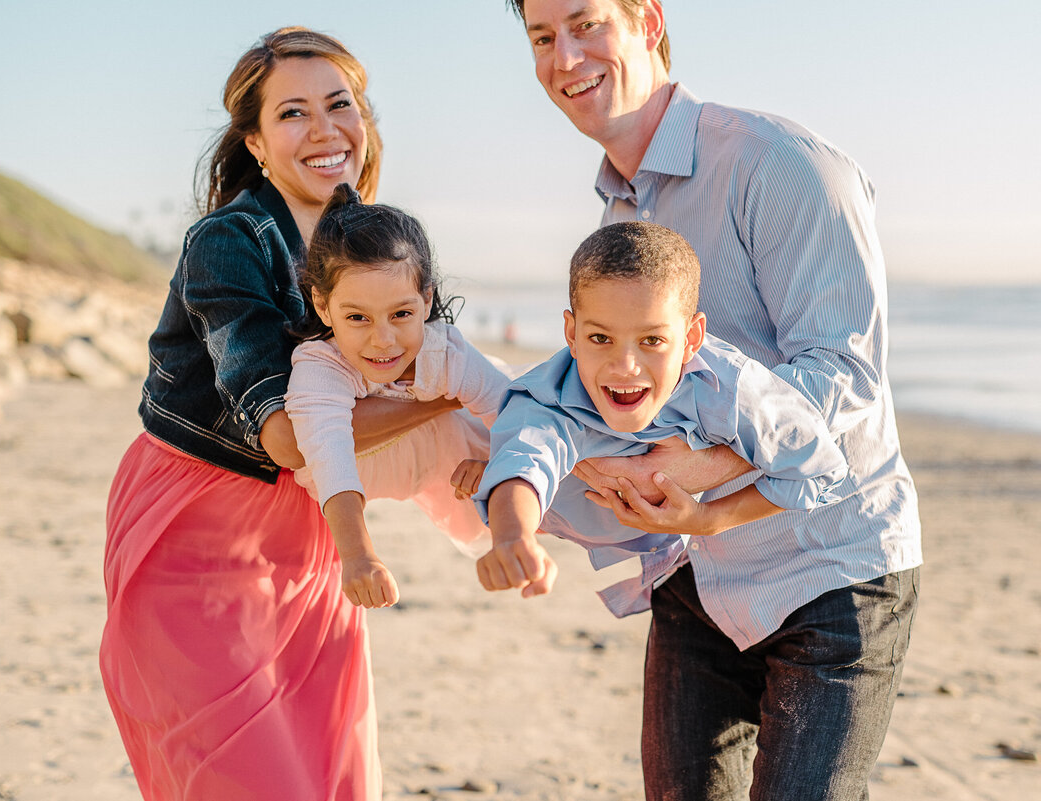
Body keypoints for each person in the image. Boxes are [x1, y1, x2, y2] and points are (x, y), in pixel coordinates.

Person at [504, 2, 923, 799]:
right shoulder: (619, 210)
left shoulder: (781, 164)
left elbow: (844, 377)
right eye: (542, 38)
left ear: (649, 20)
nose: (565, 57)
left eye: (586, 23)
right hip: (698, 575)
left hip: (832, 565)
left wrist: (701, 470)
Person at [99, 27, 453, 801]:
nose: (326, 129)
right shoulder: (226, 243)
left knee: (334, 775)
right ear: (255, 143)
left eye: (341, 104)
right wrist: (453, 393)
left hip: (311, 526)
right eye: (293, 113)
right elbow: (290, 435)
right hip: (193, 525)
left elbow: (439, 354)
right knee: (247, 777)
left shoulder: (374, 237)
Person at [465, 220, 849, 602]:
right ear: (571, 335)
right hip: (550, 511)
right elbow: (524, 463)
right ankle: (487, 470)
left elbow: (819, 467)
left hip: (702, 565)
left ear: (690, 340)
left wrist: (708, 520)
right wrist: (513, 537)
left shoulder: (730, 390)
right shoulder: (549, 399)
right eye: (600, 338)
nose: (625, 366)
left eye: (652, 340)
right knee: (499, 452)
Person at [284, 185, 512, 609]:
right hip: (404, 464)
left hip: (460, 444)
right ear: (322, 304)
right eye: (357, 318)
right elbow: (330, 458)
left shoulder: (444, 353)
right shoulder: (319, 370)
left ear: (426, 299)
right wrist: (357, 555)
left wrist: (498, 460)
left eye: (401, 314)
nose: (383, 340)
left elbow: (514, 416)